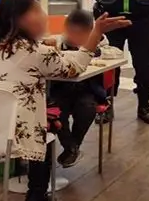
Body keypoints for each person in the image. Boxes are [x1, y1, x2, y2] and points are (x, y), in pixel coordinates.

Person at [0, 0, 129, 201]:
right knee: (45, 122)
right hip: (16, 129)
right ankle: (36, 196)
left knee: (5, 127)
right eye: (37, 11)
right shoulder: (31, 51)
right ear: (18, 17)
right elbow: (75, 67)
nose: (44, 16)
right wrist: (96, 31)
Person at [43, 9, 110, 168]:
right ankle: (71, 147)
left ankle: (74, 146)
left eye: (81, 33)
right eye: (71, 32)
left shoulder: (99, 44)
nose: (75, 37)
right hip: (60, 90)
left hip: (87, 90)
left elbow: (111, 55)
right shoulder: (57, 43)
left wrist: (95, 47)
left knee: (87, 109)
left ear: (90, 32)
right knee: (56, 113)